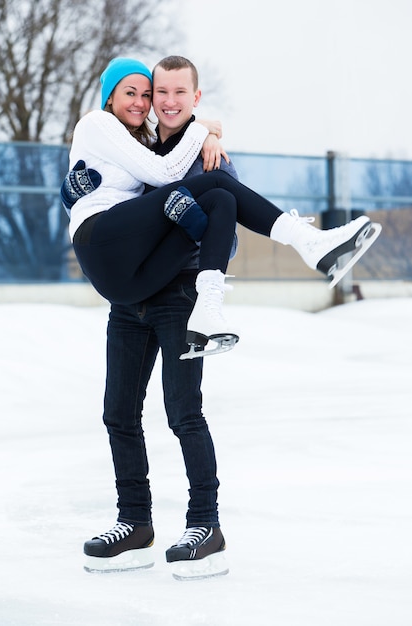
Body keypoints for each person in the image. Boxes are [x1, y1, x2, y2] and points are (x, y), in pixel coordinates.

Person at [63, 56, 379, 579]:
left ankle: (204, 526)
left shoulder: (208, 155)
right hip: (129, 297)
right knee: (118, 414)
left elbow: (225, 230)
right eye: (143, 94)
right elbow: (111, 189)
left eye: (168, 93)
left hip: (178, 293)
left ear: (194, 97)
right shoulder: (134, 144)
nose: (155, 102)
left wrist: (203, 160)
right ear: (114, 99)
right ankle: (135, 524)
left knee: (183, 414)